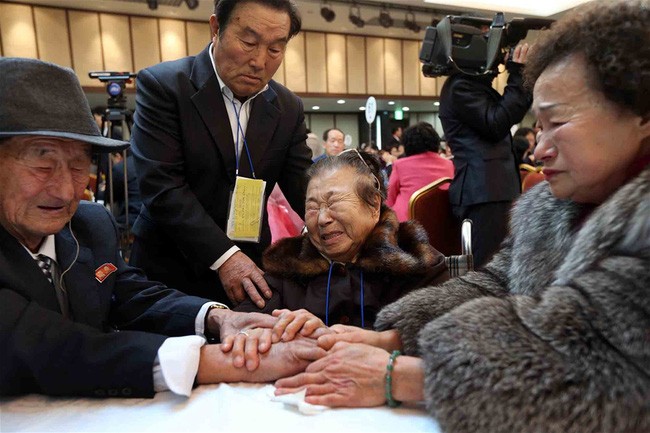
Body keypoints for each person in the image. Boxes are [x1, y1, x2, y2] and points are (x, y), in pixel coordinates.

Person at [272, 1, 650, 431]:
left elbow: (604, 372)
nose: (539, 149)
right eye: (537, 127)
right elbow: (496, 283)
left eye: (557, 122)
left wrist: (403, 375)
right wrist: (389, 337)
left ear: (642, 114)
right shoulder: (552, 206)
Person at [0, 57, 325, 398]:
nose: (66, 190)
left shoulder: (88, 225)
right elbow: (59, 348)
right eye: (42, 164)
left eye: (79, 164)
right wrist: (221, 361)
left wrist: (218, 317)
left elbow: (129, 296)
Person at [129, 0, 312, 307]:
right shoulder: (164, 86)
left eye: (275, 50)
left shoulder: (287, 107)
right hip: (171, 269)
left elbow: (303, 185)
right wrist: (225, 257)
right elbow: (162, 187)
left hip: (251, 270)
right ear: (216, 28)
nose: (259, 61)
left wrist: (338, 217)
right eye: (249, 42)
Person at [236, 150, 448, 328]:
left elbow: (447, 331)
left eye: (334, 202)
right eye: (312, 207)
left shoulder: (415, 259)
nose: (322, 218)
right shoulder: (286, 265)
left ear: (374, 205)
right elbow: (244, 324)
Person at [439, 41, 533, 268]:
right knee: (488, 267)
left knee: (501, 264)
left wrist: (520, 75)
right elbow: (497, 122)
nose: (497, 57)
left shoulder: (472, 86)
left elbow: (509, 112)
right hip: (483, 192)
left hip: (490, 190)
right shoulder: (460, 87)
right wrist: (517, 72)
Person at [386, 122, 455, 222]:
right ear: (436, 142)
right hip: (442, 224)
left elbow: (389, 200)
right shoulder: (449, 165)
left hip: (407, 226)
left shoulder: (400, 165)